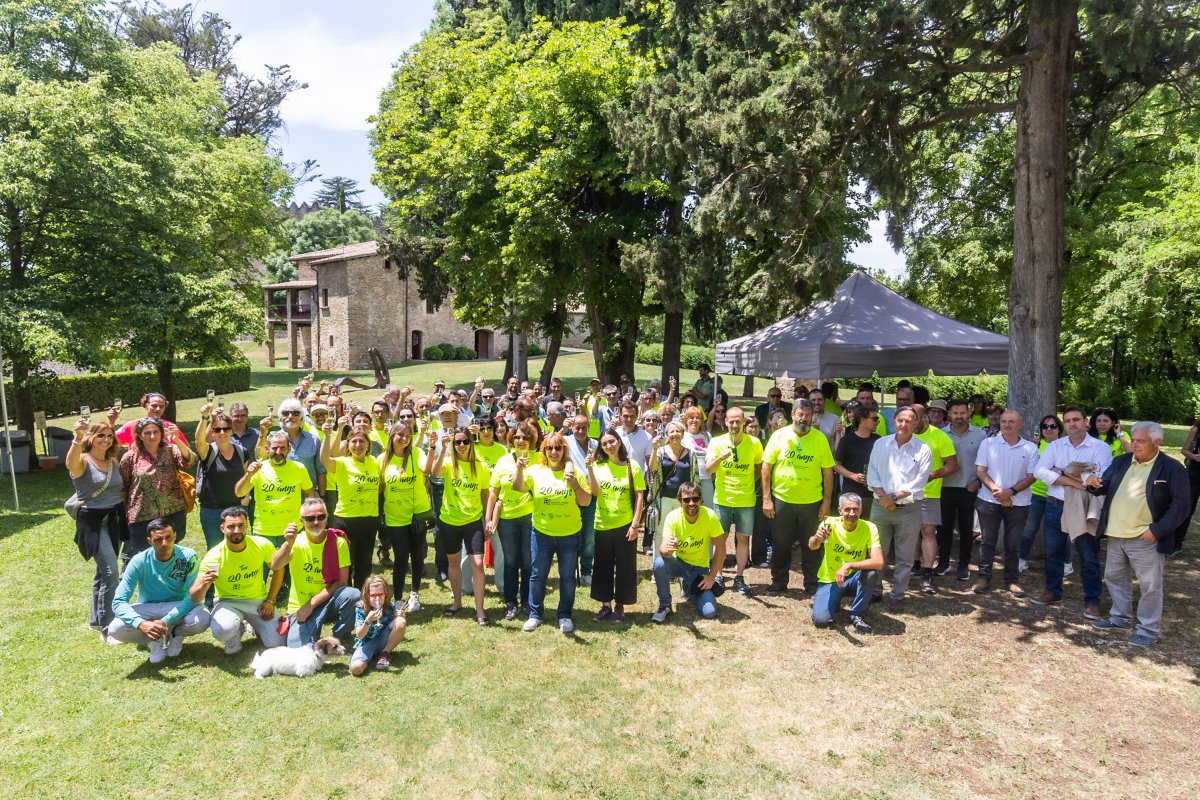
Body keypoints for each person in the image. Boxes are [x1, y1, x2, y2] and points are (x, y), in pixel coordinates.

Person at [1086, 421, 1190, 647]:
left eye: (1140, 441)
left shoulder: (1172, 468)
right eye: (1133, 440)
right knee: (1114, 579)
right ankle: (1120, 618)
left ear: (1157, 442)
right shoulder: (1122, 461)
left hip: (1146, 538)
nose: (1134, 445)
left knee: (1150, 586)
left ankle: (1148, 630)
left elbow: (1181, 506)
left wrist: (1158, 530)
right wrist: (1092, 483)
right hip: (1115, 533)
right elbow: (1103, 486)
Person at [1030, 407, 1113, 617]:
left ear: (1086, 422)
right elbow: (1040, 471)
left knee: (1088, 554)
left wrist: (1062, 471)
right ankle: (1053, 591)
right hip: (1055, 505)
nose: (1072, 424)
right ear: (1063, 424)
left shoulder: (1100, 447)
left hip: (1084, 506)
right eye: (1067, 421)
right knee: (1053, 552)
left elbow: (1100, 477)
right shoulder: (1055, 445)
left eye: (1076, 419)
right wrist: (1073, 479)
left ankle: (1092, 599)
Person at [515, 432, 591, 633]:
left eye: (558, 447)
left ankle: (565, 615)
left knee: (567, 577)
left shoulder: (575, 473)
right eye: (550, 448)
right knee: (538, 574)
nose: (554, 451)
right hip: (541, 533)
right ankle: (535, 613)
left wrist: (574, 483)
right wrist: (519, 470)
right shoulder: (535, 471)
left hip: (569, 534)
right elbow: (518, 487)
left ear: (564, 449)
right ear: (544, 451)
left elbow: (586, 501)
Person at [107, 519, 210, 664]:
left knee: (203, 619)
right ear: (149, 541)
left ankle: (174, 633)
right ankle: (154, 638)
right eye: (158, 539)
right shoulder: (138, 561)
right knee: (115, 629)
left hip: (178, 605)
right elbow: (118, 602)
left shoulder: (188, 556)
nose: (164, 543)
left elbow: (192, 596)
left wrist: (166, 621)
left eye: (168, 537)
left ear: (175, 535)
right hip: (148, 607)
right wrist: (140, 623)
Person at [760, 400, 835, 596]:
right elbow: (766, 468)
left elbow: (828, 473)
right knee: (780, 544)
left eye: (807, 415)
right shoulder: (779, 436)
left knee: (811, 544)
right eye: (800, 414)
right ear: (792, 415)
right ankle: (778, 582)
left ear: (812, 417)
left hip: (811, 502)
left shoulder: (820, 439)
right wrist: (767, 499)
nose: (803, 418)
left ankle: (811, 584)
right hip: (782, 500)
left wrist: (826, 502)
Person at [189, 507, 285, 653]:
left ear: (247, 525)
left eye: (241, 525)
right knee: (223, 631)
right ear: (222, 528)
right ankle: (235, 631)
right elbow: (195, 596)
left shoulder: (262, 545)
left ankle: (255, 625)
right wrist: (204, 583)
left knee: (278, 642)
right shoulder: (214, 557)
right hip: (227, 602)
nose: (236, 530)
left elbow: (278, 568)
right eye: (231, 526)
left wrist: (271, 600)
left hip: (257, 601)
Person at [270, 497, 360, 647]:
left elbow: (341, 582)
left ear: (327, 518)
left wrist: (311, 605)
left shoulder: (339, 541)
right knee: (296, 647)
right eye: (310, 518)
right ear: (302, 521)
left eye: (320, 517)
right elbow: (275, 565)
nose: (316, 522)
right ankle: (314, 633)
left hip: (328, 601)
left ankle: (341, 634)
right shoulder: (295, 542)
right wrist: (288, 544)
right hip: (300, 605)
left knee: (353, 595)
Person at [423, 426, 491, 624]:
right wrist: (443, 448)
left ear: (471, 443)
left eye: (465, 441)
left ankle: (480, 610)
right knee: (453, 563)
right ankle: (457, 602)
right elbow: (433, 473)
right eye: (458, 442)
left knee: (478, 564)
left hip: (472, 522)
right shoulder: (447, 463)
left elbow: (485, 494)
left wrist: (488, 520)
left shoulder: (481, 467)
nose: (461, 445)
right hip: (449, 521)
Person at [866, 407, 931, 611]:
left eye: (909, 421)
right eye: (900, 420)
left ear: (916, 423)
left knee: (905, 555)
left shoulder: (923, 450)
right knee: (877, 551)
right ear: (894, 421)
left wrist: (893, 497)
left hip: (909, 509)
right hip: (880, 507)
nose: (904, 424)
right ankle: (874, 590)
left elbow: (919, 482)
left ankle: (897, 594)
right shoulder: (880, 444)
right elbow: (873, 473)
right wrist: (885, 498)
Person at [67, 418, 126, 640]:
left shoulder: (113, 462)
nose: (106, 439)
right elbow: (70, 464)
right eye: (101, 435)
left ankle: (96, 619)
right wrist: (77, 438)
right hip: (93, 522)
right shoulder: (82, 460)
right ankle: (108, 627)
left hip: (114, 519)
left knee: (103, 572)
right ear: (91, 438)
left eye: (109, 435)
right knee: (111, 572)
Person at [972, 410, 1039, 596]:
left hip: (1019, 503)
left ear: (1020, 424)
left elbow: (1032, 476)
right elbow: (981, 470)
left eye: (1011, 421)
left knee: (1013, 544)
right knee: (987, 541)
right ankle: (984, 577)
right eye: (1004, 421)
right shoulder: (988, 443)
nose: (1007, 425)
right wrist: (998, 492)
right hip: (989, 501)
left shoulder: (1030, 448)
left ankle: (1012, 580)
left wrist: (1011, 492)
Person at [586, 429, 646, 623]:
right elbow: (594, 492)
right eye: (604, 444)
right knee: (602, 566)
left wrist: (635, 525)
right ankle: (605, 605)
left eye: (611, 441)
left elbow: (639, 496)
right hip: (602, 524)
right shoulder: (598, 466)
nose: (609, 446)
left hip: (625, 524)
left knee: (625, 567)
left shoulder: (632, 466)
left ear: (619, 442)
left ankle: (620, 606)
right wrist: (589, 469)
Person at [119, 416, 195, 564]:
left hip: (173, 513)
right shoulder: (130, 457)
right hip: (142, 517)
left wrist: (177, 440)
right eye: (147, 433)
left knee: (173, 556)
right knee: (146, 560)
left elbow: (189, 461)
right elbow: (123, 486)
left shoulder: (171, 450)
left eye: (156, 432)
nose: (152, 436)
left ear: (162, 433)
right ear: (139, 436)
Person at [651, 482, 727, 622]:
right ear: (680, 501)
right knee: (659, 563)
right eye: (686, 500)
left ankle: (688, 586)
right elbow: (663, 550)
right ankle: (665, 605)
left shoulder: (710, 516)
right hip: (679, 563)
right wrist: (667, 551)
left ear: (700, 500)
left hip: (700, 569)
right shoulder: (673, 517)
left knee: (710, 612)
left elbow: (721, 547)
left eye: (695, 499)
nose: (691, 503)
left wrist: (711, 576)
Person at [706, 406, 762, 595]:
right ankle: (719, 576)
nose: (735, 425)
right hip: (722, 499)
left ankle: (739, 577)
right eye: (731, 421)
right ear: (726, 422)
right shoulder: (716, 441)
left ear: (744, 421)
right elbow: (708, 470)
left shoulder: (754, 443)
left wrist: (746, 485)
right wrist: (719, 460)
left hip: (745, 500)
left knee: (743, 538)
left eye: (738, 421)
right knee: (720, 539)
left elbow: (757, 468)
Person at [321, 420, 383, 591]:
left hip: (369, 519)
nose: (357, 445)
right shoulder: (342, 463)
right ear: (348, 445)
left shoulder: (374, 462)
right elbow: (325, 459)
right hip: (346, 520)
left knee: (364, 563)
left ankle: (363, 597)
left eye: (361, 441)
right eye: (353, 441)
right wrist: (327, 436)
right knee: (346, 563)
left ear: (368, 444)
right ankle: (346, 598)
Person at [379, 422, 433, 614]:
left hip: (417, 514)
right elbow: (380, 488)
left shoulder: (416, 454)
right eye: (400, 435)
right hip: (395, 516)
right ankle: (399, 598)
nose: (404, 439)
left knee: (418, 556)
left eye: (407, 436)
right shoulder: (382, 460)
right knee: (401, 557)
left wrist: (433, 447)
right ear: (392, 435)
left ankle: (415, 593)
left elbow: (427, 468)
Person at [809, 493, 884, 633]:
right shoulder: (829, 523)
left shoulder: (869, 527)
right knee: (821, 621)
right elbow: (812, 546)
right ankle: (830, 600)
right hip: (831, 578)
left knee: (871, 574)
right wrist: (816, 539)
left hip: (854, 577)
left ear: (861, 510)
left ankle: (857, 614)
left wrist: (849, 565)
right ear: (840, 511)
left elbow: (878, 562)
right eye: (847, 509)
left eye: (856, 509)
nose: (852, 513)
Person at [194, 405, 249, 593]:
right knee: (214, 551)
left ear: (232, 430)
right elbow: (198, 440)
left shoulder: (242, 451)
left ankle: (235, 586)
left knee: (237, 549)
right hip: (212, 510)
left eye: (226, 429)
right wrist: (205, 417)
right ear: (213, 431)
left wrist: (247, 496)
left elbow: (247, 476)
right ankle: (211, 592)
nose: (222, 432)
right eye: (217, 429)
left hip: (236, 511)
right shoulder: (208, 451)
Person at [489, 421, 540, 620]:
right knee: (510, 561)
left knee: (528, 561)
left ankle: (527, 600)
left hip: (530, 516)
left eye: (525, 437)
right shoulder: (503, 460)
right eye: (517, 437)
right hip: (507, 517)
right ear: (511, 439)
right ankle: (511, 601)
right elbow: (493, 492)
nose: (521, 441)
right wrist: (489, 518)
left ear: (531, 440)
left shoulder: (539, 458)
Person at [911, 404, 959, 594]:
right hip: (906, 492)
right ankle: (914, 565)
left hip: (929, 493)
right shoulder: (905, 434)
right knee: (910, 531)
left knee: (928, 530)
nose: (909, 423)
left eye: (914, 419)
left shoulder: (939, 436)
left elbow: (953, 465)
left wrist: (932, 475)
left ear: (924, 418)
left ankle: (927, 572)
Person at [939, 399, 987, 579]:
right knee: (944, 527)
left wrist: (978, 482)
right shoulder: (940, 434)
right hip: (945, 487)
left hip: (969, 487)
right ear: (949, 415)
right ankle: (943, 562)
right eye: (955, 413)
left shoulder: (981, 436)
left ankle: (964, 565)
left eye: (963, 413)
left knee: (967, 529)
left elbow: (986, 463)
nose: (959, 416)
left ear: (969, 413)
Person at [1019, 414, 1063, 573]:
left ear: (1059, 428)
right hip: (1036, 494)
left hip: (1058, 496)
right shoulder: (1035, 446)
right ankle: (1022, 559)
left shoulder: (1065, 445)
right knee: (1029, 529)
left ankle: (1066, 563)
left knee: (1061, 531)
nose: (1049, 429)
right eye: (1045, 426)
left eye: (1053, 426)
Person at [563, 413, 598, 587]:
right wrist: (562, 428)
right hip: (571, 493)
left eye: (584, 427)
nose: (581, 430)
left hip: (590, 494)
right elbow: (549, 442)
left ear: (589, 428)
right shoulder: (566, 441)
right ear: (572, 427)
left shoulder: (595, 444)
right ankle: (570, 571)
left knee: (589, 537)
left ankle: (586, 572)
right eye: (577, 427)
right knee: (571, 536)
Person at [650, 421, 696, 552]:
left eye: (678, 431)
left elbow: (695, 479)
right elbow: (652, 468)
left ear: (683, 434)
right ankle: (658, 568)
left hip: (684, 500)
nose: (675, 434)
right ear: (667, 434)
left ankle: (677, 566)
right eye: (672, 432)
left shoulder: (691, 454)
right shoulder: (660, 452)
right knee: (660, 533)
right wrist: (654, 448)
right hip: (663, 498)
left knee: (681, 531)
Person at [350, 575, 407, 674]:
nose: (377, 598)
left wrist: (399, 615)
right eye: (373, 595)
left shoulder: (390, 606)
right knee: (356, 669)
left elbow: (399, 626)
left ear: (386, 594)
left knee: (401, 621)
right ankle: (368, 657)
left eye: (380, 594)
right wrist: (368, 620)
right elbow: (360, 635)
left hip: (385, 639)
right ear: (367, 595)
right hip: (367, 643)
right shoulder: (361, 608)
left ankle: (385, 653)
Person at [834, 404, 880, 519]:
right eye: (874, 418)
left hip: (873, 495)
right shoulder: (847, 440)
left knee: (869, 528)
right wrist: (852, 475)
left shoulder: (879, 441)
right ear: (863, 420)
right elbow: (835, 464)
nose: (878, 421)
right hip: (851, 495)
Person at [112, 392, 188, 448]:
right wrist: (112, 422)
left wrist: (176, 441)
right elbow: (112, 440)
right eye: (154, 405)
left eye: (161, 406)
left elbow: (186, 450)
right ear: (146, 405)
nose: (158, 409)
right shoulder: (133, 425)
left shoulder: (170, 427)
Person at [1173, 415, 1200, 557]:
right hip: (1195, 473)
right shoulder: (1196, 429)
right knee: (1187, 508)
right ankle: (1176, 544)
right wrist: (1194, 456)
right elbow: (1184, 450)